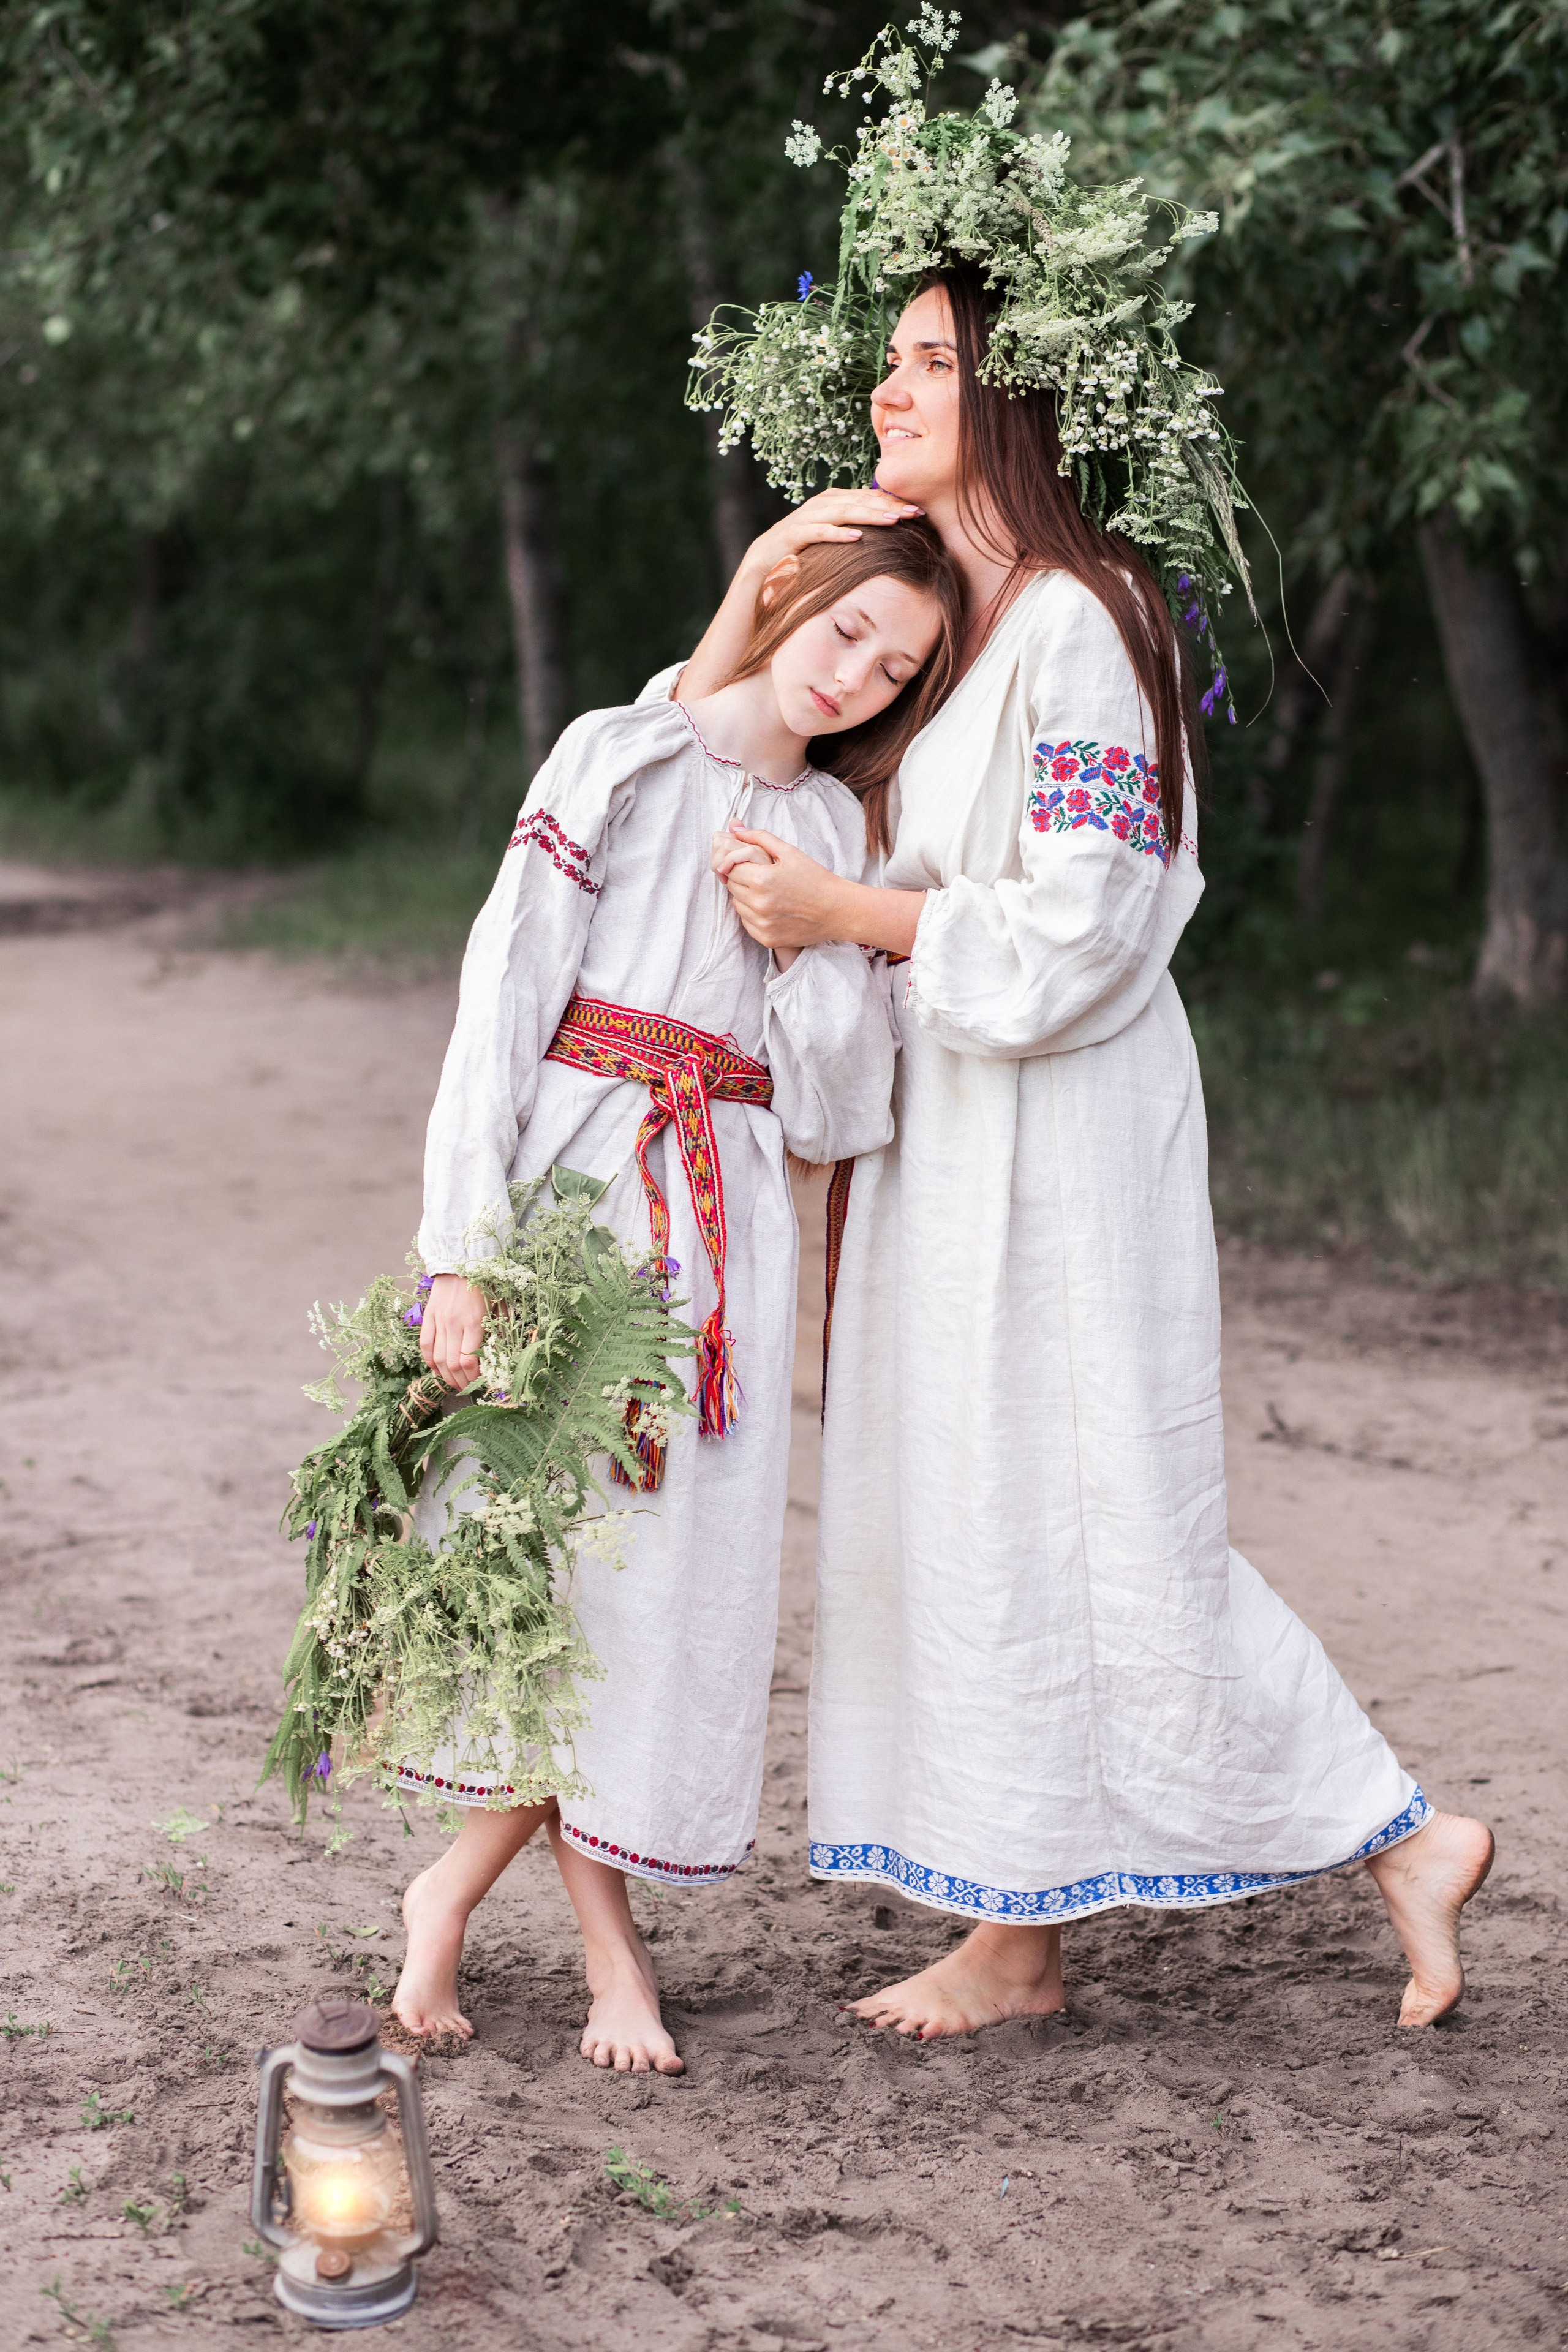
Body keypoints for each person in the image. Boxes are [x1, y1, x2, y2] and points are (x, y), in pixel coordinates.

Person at [679, 251, 1494, 2039]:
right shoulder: (964, 640)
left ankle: (1396, 1833)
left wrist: (848, 913)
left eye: (925, 364)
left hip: (1062, 1136)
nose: (886, 393)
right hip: (959, 1138)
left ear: (1018, 400)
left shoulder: (1088, 615)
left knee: (1106, 1507)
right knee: (984, 1510)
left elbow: (1087, 922)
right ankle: (1019, 1920)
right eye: (887, 364)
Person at [391, 525, 964, 2073]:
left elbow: (840, 1110)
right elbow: (500, 1002)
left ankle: (447, 1895)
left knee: (660, 1595)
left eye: (895, 667)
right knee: (556, 1579)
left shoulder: (843, 830)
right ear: (784, 594)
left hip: (721, 1244)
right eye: (846, 630)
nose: (855, 676)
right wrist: (461, 1253)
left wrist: (798, 941)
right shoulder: (620, 755)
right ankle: (606, 1957)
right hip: (577, 1196)